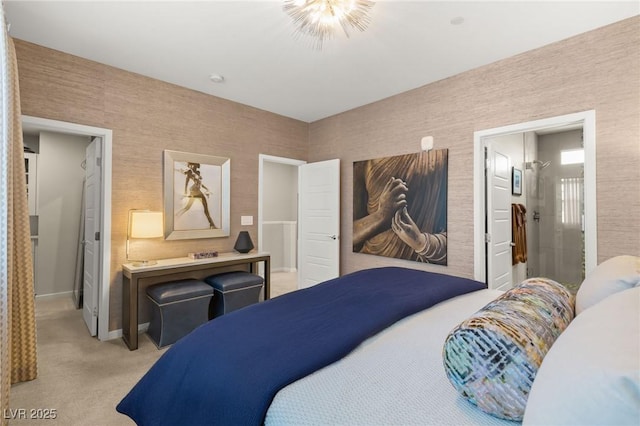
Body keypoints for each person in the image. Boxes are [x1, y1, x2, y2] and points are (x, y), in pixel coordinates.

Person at [352, 150, 447, 265]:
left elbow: (457, 239)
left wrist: (420, 241)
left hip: (418, 263)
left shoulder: (441, 156)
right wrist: (381, 215)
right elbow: (350, 236)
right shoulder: (364, 164)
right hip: (370, 256)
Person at [176, 162, 217, 229]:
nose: (194, 167)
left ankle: (211, 225)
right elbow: (187, 181)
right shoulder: (190, 172)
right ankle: (177, 215)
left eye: (195, 166)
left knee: (205, 209)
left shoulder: (197, 173)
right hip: (193, 192)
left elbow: (200, 184)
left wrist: (207, 189)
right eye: (193, 165)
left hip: (198, 192)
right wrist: (185, 191)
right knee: (187, 207)